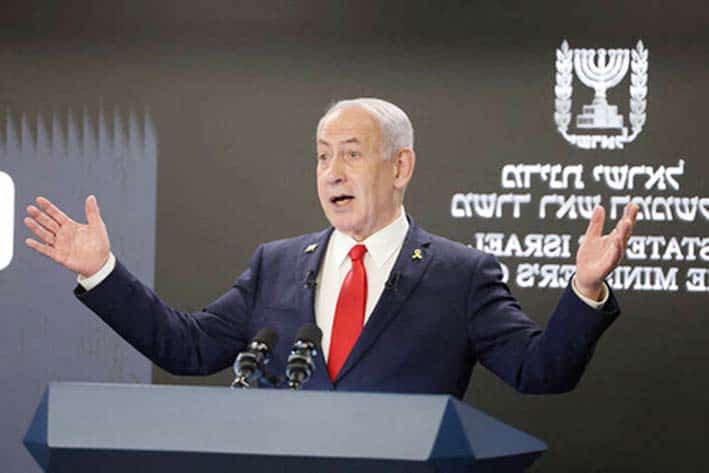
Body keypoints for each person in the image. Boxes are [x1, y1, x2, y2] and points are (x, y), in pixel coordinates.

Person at [24, 98, 638, 397]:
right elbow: (186, 348)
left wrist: (585, 289)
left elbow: (541, 370)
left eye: (351, 154)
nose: (332, 172)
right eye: (322, 157)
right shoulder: (275, 266)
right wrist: (101, 272)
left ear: (400, 167)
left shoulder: (461, 274)